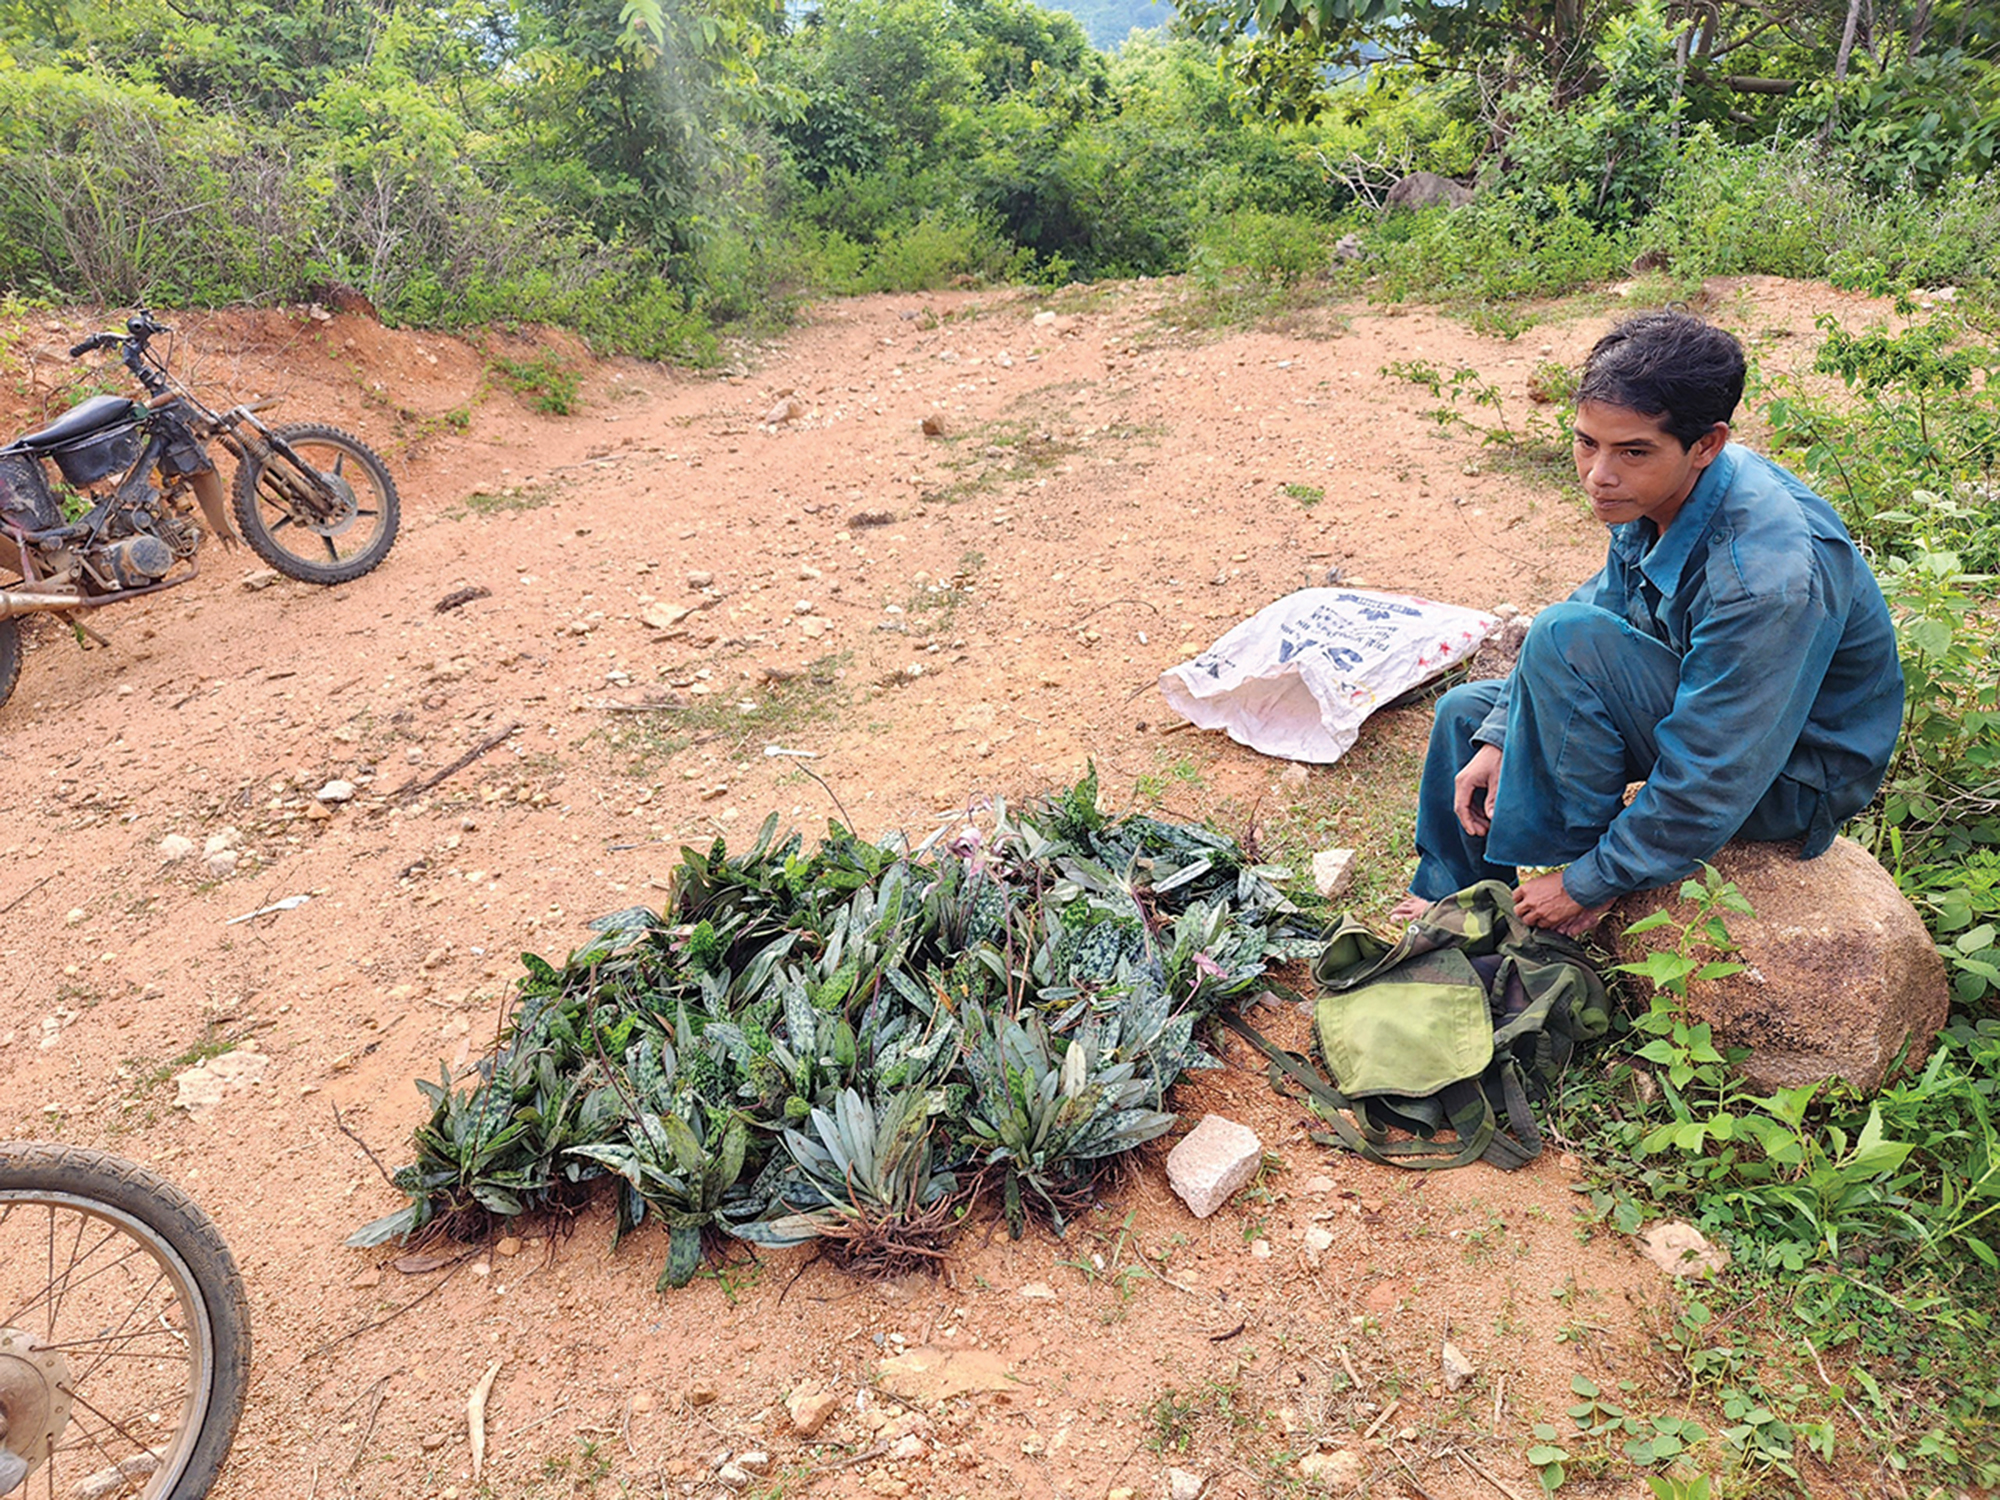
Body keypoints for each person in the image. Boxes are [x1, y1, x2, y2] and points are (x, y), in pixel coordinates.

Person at [1392, 311, 1904, 936]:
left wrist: (1590, 881)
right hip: (1707, 701)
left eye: (1631, 451)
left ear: (1706, 444)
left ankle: (1567, 870)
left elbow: (1720, 768)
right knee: (1468, 715)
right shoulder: (1655, 488)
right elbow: (1609, 602)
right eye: (1586, 442)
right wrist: (1504, 732)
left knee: (1562, 638)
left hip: (1787, 775)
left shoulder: (1767, 578)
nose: (1598, 475)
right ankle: (1456, 901)